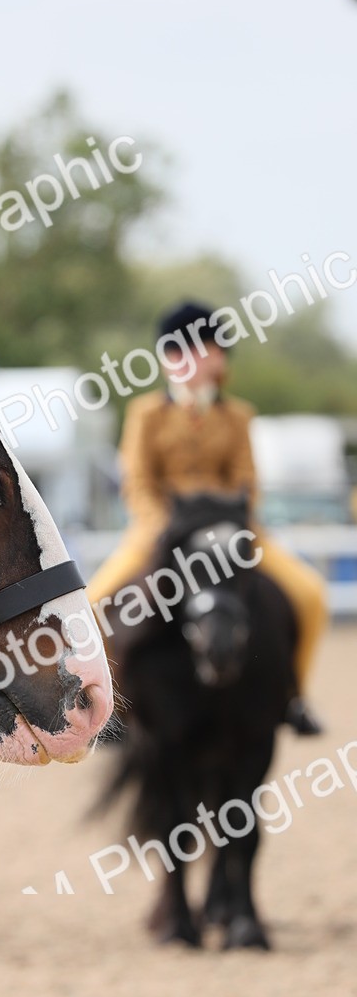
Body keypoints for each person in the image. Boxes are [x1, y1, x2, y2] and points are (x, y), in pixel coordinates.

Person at [87, 301, 328, 734]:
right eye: (178, 352)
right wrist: (167, 526)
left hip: (232, 532)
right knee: (94, 605)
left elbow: (245, 480)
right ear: (165, 359)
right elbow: (138, 482)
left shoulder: (238, 416)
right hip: (160, 531)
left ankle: (293, 695)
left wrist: (226, 523)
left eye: (200, 350)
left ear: (218, 359)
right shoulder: (146, 414)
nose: (188, 361)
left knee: (310, 595)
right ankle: (112, 706)